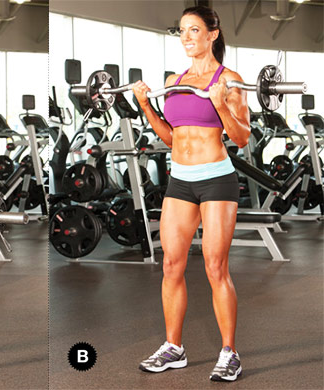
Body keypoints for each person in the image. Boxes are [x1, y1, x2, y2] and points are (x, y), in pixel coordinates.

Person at [132, 5, 250, 382]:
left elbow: (242, 138)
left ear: (213, 34)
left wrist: (219, 102)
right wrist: (146, 106)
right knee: (171, 265)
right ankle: (174, 347)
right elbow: (171, 137)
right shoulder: (174, 79)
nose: (186, 37)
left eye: (194, 30)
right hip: (180, 180)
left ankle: (229, 352)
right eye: (182, 31)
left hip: (216, 178)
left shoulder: (228, 79)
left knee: (216, 267)